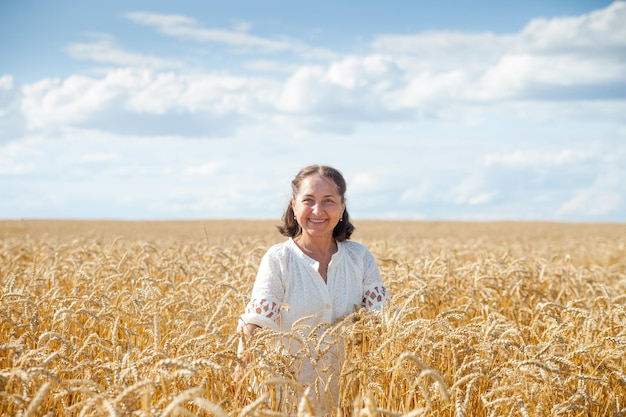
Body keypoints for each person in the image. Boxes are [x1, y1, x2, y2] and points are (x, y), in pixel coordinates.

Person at [233, 164, 388, 414]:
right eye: (308, 200)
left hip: (347, 401)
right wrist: (240, 380)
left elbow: (383, 323)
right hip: (287, 402)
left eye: (328, 201)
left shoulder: (359, 257)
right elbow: (255, 326)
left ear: (342, 206)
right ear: (294, 205)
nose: (318, 210)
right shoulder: (279, 259)